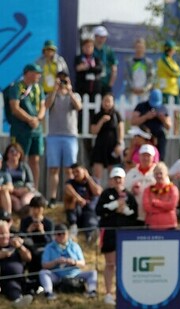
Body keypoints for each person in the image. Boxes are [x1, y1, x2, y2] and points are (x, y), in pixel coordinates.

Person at [95, 166, 137, 305]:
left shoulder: (129, 196)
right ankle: (108, 293)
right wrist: (114, 205)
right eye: (115, 178)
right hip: (109, 232)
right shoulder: (106, 194)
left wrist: (124, 209)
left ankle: (122, 292)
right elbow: (99, 210)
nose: (118, 181)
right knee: (110, 263)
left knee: (123, 264)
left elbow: (134, 215)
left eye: (120, 178)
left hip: (126, 233)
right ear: (111, 180)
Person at [44, 71, 81, 205]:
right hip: (54, 135)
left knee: (69, 169)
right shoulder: (51, 95)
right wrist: (54, 90)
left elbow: (78, 107)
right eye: (60, 80)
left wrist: (70, 91)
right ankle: (52, 198)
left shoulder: (74, 95)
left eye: (65, 80)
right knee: (53, 169)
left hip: (70, 136)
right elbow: (47, 106)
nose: (62, 83)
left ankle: (69, 197)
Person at [8, 64, 45, 186]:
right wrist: (29, 119)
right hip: (21, 130)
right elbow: (15, 108)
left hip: (36, 130)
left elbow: (43, 106)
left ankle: (34, 188)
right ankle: (18, 184)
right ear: (28, 73)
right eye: (36, 73)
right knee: (19, 158)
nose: (39, 76)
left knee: (35, 160)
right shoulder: (17, 87)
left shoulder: (38, 88)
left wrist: (38, 118)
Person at [40, 223, 98, 300]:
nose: (61, 236)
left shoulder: (75, 246)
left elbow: (83, 264)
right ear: (54, 235)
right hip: (57, 276)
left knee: (93, 272)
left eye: (63, 234)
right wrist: (56, 261)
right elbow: (44, 265)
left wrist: (73, 262)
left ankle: (92, 291)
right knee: (43, 273)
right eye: (58, 234)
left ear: (67, 234)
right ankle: (49, 293)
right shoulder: (49, 247)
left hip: (75, 275)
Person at [89, 92, 124, 181]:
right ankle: (97, 193)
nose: (107, 103)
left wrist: (119, 144)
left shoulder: (116, 115)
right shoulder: (97, 115)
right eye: (105, 101)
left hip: (113, 146)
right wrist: (101, 121)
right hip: (100, 146)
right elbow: (93, 131)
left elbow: (121, 129)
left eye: (109, 101)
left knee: (113, 174)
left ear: (113, 103)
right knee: (97, 174)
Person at [64, 164, 102, 240]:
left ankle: (90, 236)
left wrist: (88, 178)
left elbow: (98, 192)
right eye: (73, 172)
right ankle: (73, 226)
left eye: (77, 171)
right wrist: (79, 198)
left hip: (90, 211)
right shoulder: (71, 182)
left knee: (90, 219)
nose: (75, 174)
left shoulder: (93, 180)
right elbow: (67, 188)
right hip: (77, 211)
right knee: (71, 200)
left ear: (84, 171)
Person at [0, 220, 33, 307]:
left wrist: (20, 247)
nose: (4, 236)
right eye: (1, 234)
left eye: (6, 233)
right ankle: (17, 300)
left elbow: (28, 258)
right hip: (6, 280)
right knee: (11, 285)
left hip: (21, 278)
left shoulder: (13, 243)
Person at [131, 88, 171, 159]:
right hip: (144, 137)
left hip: (158, 137)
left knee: (159, 158)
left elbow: (168, 126)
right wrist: (146, 117)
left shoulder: (163, 108)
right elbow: (133, 121)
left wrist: (162, 118)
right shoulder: (141, 106)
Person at [19, 195, 53, 276]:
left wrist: (42, 232)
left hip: (43, 248)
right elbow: (20, 238)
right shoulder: (25, 221)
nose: (36, 211)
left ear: (43, 209)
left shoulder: (48, 223)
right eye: (33, 208)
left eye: (38, 208)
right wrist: (28, 231)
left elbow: (50, 241)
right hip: (29, 248)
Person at [124, 144, 158, 224]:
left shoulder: (159, 171)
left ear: (153, 157)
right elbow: (124, 191)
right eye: (143, 155)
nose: (145, 158)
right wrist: (132, 190)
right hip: (135, 216)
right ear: (139, 156)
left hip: (154, 215)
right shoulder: (131, 173)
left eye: (148, 155)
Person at [142, 162, 178, 230]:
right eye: (156, 174)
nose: (159, 176)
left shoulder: (172, 189)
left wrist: (156, 203)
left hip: (169, 225)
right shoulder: (148, 190)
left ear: (166, 174)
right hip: (152, 225)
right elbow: (146, 207)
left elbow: (172, 205)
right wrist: (165, 209)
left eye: (161, 173)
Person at [2, 142, 37, 214]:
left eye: (17, 151)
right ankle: (22, 215)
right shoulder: (3, 167)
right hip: (10, 191)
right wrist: (13, 190)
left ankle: (27, 213)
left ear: (20, 154)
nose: (14, 153)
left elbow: (30, 182)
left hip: (24, 190)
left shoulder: (24, 166)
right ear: (7, 153)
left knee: (25, 200)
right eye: (12, 151)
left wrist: (25, 189)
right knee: (16, 202)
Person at [92, 26, 118, 95]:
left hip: (106, 84)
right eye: (100, 37)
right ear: (95, 36)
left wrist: (110, 85)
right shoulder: (90, 49)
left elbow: (114, 69)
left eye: (104, 37)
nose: (102, 39)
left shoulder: (109, 50)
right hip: (91, 84)